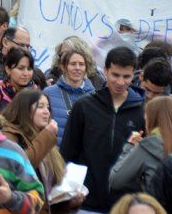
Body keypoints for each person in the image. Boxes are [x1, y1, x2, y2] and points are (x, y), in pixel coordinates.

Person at [61, 47, 146, 214]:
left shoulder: (143, 111)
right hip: (87, 203)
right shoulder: (84, 106)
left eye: (126, 76)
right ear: (105, 71)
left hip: (127, 205)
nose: (121, 82)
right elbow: (67, 154)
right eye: (116, 75)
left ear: (134, 75)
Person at [0, 90, 85, 213]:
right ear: (24, 110)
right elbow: (21, 166)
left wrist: (69, 201)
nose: (47, 112)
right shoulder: (10, 135)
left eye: (48, 107)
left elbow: (50, 194)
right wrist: (47, 136)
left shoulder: (44, 137)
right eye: (40, 107)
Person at [110, 96, 172, 194]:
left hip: (156, 207)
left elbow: (116, 181)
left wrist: (130, 146)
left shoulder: (147, 146)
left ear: (151, 120)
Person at [42, 50, 98, 144]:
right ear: (63, 67)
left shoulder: (95, 97)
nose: (77, 68)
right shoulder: (48, 93)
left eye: (81, 64)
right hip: (56, 154)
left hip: (83, 156)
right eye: (73, 64)